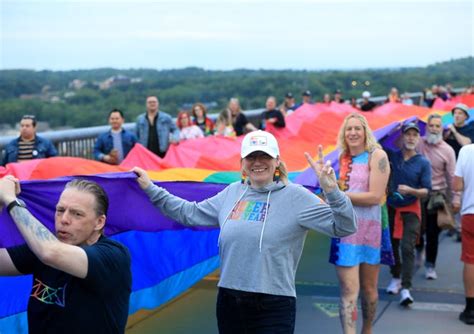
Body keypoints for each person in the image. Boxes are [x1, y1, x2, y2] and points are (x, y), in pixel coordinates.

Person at [133, 130, 357, 333]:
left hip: (274, 305)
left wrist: (332, 191)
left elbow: (345, 227)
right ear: (242, 163)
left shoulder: (296, 197)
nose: (258, 163)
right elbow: (189, 213)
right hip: (230, 302)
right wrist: (151, 188)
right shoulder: (231, 193)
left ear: (277, 161)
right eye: (251, 157)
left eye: (265, 157)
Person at [0, 177, 132, 333]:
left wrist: (11, 201)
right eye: (60, 210)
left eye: (77, 214)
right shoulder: (41, 248)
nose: (64, 220)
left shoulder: (114, 255)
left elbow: (50, 252)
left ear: (99, 222)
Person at [329, 113, 391, 334]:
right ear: (343, 134)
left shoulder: (377, 156)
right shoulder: (341, 158)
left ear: (365, 131)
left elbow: (375, 196)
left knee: (369, 289)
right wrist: (328, 186)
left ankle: (367, 329)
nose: (353, 132)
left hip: (371, 231)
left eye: (357, 128)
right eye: (349, 129)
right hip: (345, 231)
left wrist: (337, 195)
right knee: (348, 290)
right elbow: (335, 191)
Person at [385, 122, 431, 306]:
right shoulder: (393, 157)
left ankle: (406, 288)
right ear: (402, 137)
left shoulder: (423, 162)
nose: (411, 137)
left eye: (415, 135)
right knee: (391, 246)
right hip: (391, 207)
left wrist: (411, 190)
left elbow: (427, 190)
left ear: (418, 138)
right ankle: (395, 276)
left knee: (407, 247)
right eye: (408, 134)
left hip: (412, 209)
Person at [417, 114, 460, 279]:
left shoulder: (447, 150)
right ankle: (419, 249)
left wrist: (455, 198)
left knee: (433, 233)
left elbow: (451, 177)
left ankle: (430, 266)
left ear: (442, 129)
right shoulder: (419, 142)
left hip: (437, 196)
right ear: (426, 127)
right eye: (431, 125)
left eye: (437, 126)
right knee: (417, 230)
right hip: (418, 194)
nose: (434, 129)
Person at [454, 144, 474, 325]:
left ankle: (470, 309)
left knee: (470, 260)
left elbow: (457, 185)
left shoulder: (466, 151)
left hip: (470, 213)